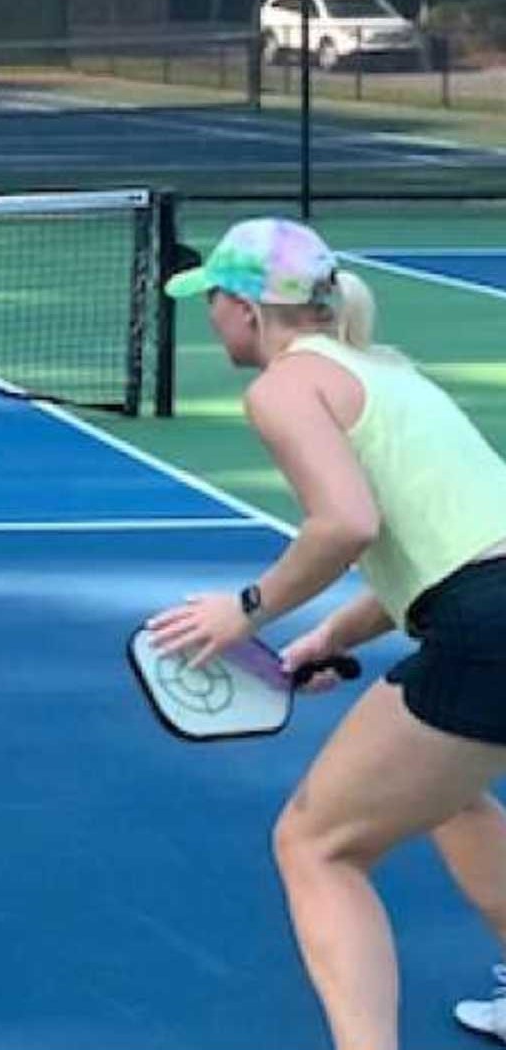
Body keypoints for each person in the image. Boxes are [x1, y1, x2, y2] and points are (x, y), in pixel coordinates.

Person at [147, 217, 506, 1050]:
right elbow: (448, 547)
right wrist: (329, 635)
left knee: (315, 845)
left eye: (212, 301)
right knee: (446, 796)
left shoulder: (283, 388)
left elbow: (345, 522)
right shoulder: (388, 371)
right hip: (486, 608)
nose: (211, 319)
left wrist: (247, 608)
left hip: (487, 623)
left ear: (244, 307)